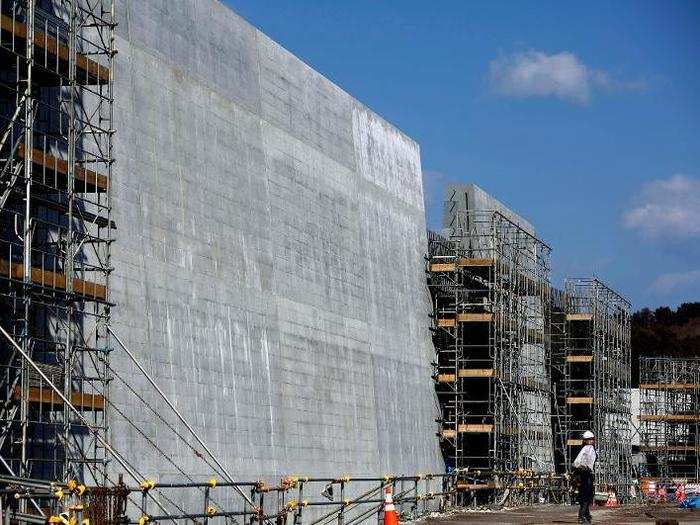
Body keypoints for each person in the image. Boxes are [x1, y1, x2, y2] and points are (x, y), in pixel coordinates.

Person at [573, 430, 596, 523]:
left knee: (585, 496)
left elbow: (576, 463)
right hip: (586, 475)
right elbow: (578, 463)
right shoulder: (588, 448)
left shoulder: (585, 448)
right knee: (586, 496)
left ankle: (586, 515)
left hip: (584, 475)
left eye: (591, 439)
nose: (591, 441)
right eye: (590, 439)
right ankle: (582, 516)